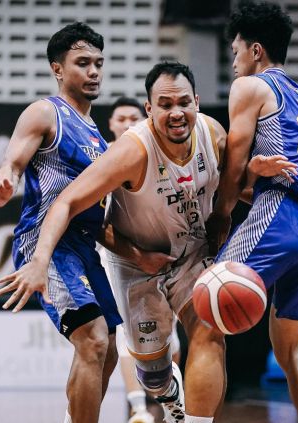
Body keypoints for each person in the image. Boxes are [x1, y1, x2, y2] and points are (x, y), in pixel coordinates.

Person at [0, 61, 246, 423]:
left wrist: (251, 188)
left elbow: (238, 184)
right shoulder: (128, 152)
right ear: (149, 109)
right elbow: (67, 203)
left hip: (192, 252)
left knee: (208, 332)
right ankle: (164, 391)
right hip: (134, 260)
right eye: (165, 105)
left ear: (197, 102)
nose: (176, 113)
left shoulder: (214, 135)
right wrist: (41, 259)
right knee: (151, 372)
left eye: (184, 103)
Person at [0, 22, 121, 423]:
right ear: (58, 69)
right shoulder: (46, 112)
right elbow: (13, 159)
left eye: (98, 63)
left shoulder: (98, 136)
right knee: (93, 340)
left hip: (84, 248)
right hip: (46, 243)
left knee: (108, 348)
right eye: (82, 63)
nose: (93, 71)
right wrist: (6, 179)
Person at [207, 3, 298, 423]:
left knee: (204, 317)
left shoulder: (249, 87)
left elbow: (232, 171)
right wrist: (253, 176)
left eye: (235, 52)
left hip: (282, 215)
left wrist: (221, 219)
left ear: (256, 50)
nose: (233, 61)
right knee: (290, 350)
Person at [104, 96, 181, 423]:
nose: (125, 123)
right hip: (118, 256)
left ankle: (170, 403)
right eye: (119, 118)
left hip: (163, 252)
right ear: (111, 124)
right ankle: (138, 408)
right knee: (125, 333)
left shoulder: (160, 154)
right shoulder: (102, 156)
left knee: (170, 337)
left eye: (131, 117)